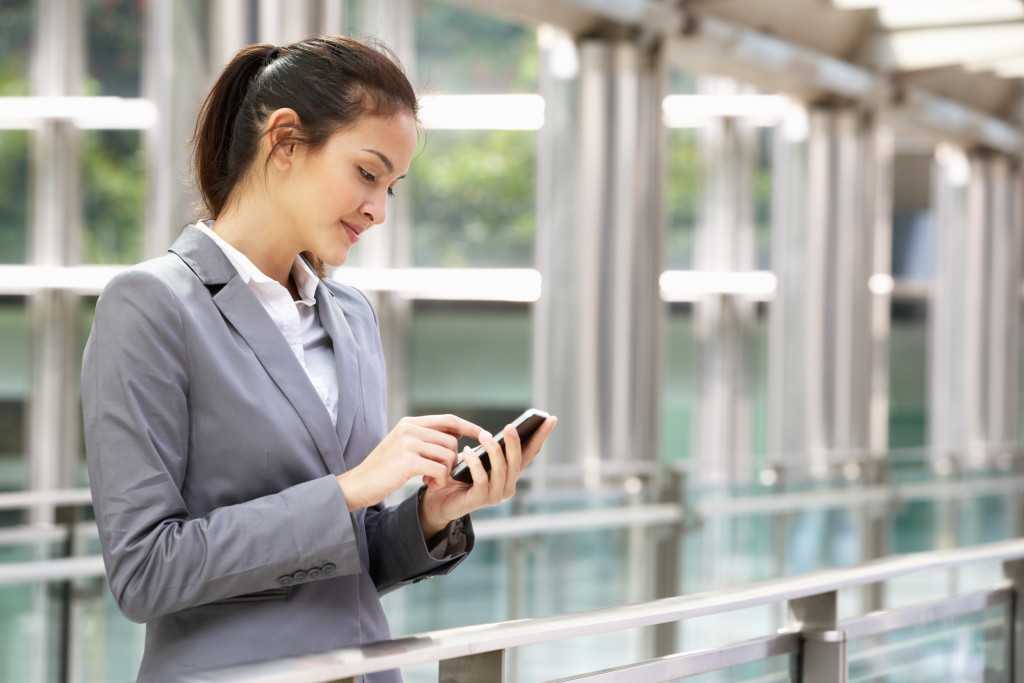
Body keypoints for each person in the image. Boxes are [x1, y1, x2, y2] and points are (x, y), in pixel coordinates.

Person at [81, 35, 556, 682]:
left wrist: (431, 513)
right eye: (367, 173)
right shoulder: (151, 305)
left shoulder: (353, 318)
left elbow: (343, 559)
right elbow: (145, 571)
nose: (379, 210)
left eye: (393, 186)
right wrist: (350, 490)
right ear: (284, 140)